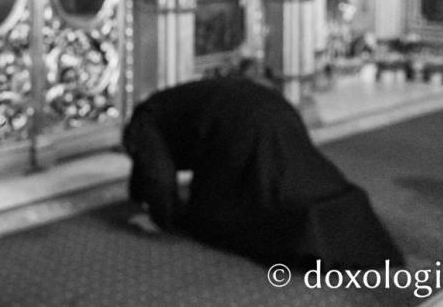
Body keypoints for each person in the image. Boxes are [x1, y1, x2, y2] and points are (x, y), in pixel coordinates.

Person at [123, 70, 404, 269]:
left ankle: (307, 240)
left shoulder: (143, 122)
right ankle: (353, 222)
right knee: (302, 178)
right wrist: (139, 195)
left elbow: (156, 174)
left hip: (240, 125)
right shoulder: (160, 106)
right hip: (275, 107)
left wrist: (162, 219)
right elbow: (146, 169)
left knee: (226, 211)